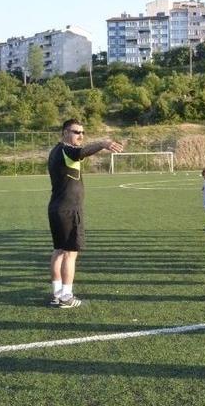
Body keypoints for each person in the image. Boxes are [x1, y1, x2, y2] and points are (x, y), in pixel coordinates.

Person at [47, 119, 123, 308]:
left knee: (58, 251)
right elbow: (82, 152)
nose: (80, 135)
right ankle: (66, 296)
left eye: (82, 132)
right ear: (65, 132)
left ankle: (57, 293)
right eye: (76, 132)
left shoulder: (56, 150)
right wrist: (103, 143)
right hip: (68, 209)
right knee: (70, 254)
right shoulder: (66, 150)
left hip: (56, 207)